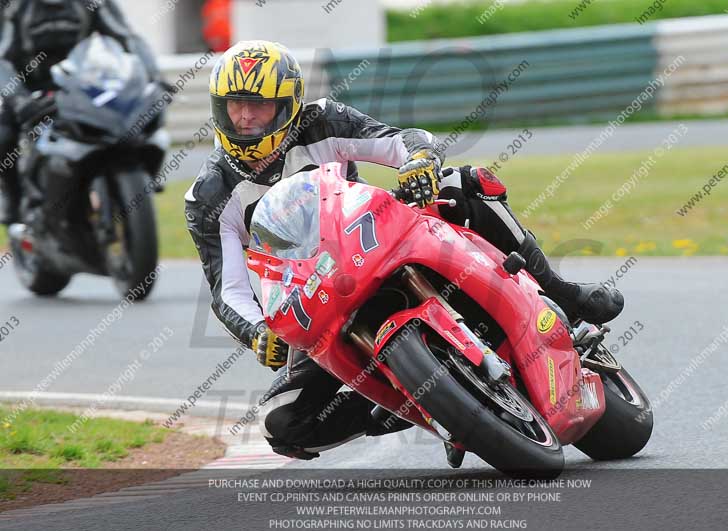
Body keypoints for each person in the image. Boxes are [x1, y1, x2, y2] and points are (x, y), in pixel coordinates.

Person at [185, 40, 624, 461]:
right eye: (234, 105)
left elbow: (398, 139)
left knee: (460, 183)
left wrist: (419, 160)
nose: (244, 118)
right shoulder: (207, 196)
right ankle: (405, 405)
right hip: (313, 298)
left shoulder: (321, 122)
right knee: (279, 422)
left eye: (258, 106)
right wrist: (258, 332)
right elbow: (228, 289)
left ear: (289, 106)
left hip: (372, 240)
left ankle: (559, 291)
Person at [0, 0, 164, 225]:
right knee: (3, 135)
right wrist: (19, 98)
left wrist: (153, 75)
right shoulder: (17, 6)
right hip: (30, 92)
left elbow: (126, 37)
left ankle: (141, 176)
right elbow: (4, 59)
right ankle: (13, 200)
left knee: (144, 110)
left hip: (79, 84)